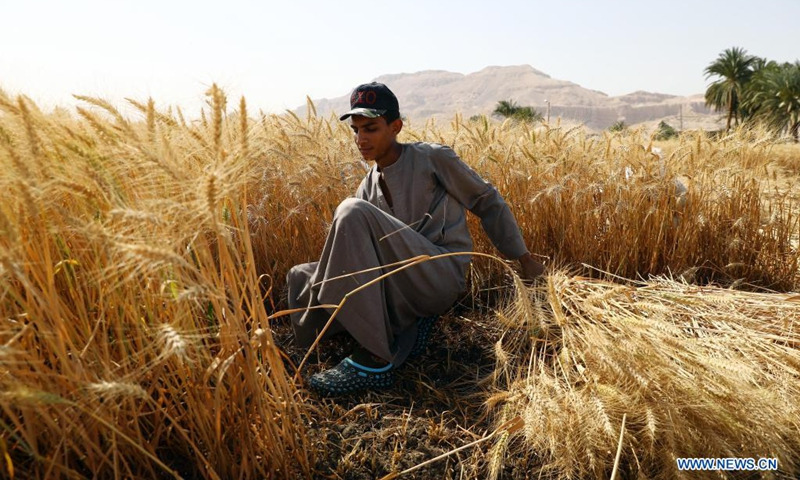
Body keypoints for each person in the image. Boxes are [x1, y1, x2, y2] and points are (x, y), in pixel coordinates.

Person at [286, 82, 544, 396]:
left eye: (370, 129)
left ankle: (376, 359)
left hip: (439, 275)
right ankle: (340, 338)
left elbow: (486, 200)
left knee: (351, 211)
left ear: (395, 127)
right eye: (356, 130)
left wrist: (523, 257)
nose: (360, 139)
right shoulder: (368, 185)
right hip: (399, 282)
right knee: (300, 275)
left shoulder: (432, 158)